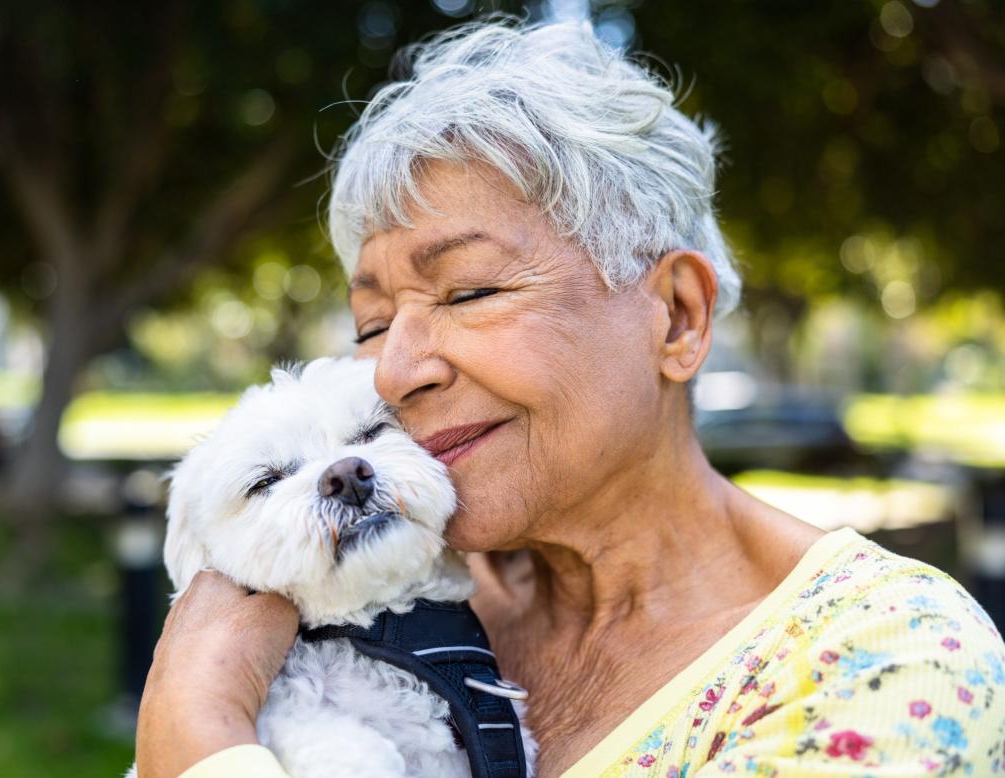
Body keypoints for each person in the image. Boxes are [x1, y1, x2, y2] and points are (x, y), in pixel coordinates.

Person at [134, 18, 1005, 778]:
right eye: (370, 324)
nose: (396, 370)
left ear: (675, 316)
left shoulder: (881, 665)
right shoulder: (391, 590)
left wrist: (195, 726)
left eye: (468, 293)